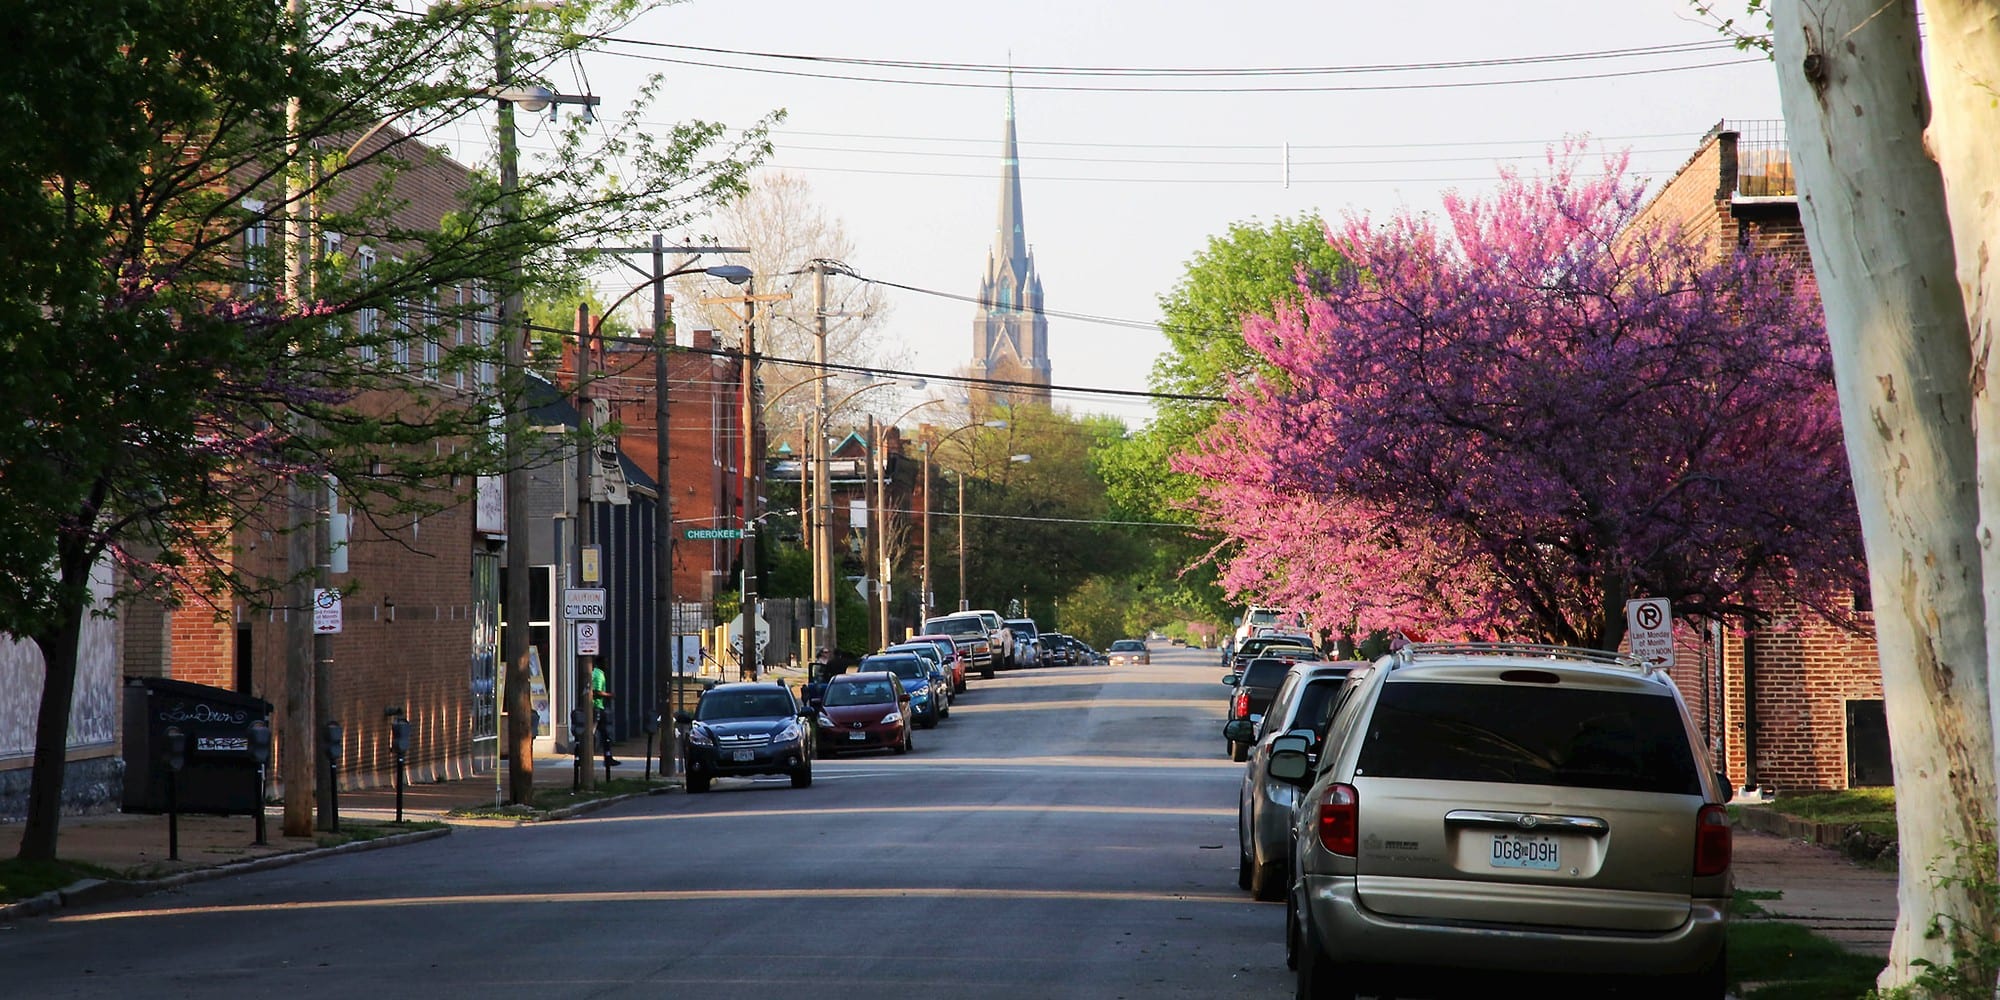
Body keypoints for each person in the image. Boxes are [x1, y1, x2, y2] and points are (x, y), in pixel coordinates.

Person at [591, 660, 621, 767]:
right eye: (606, 663)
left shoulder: (595, 673)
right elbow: (596, 691)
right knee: (593, 733)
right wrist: (610, 695)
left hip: (598, 707)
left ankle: (608, 757)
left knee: (604, 733)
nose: (608, 666)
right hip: (597, 707)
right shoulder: (599, 674)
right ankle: (585, 756)